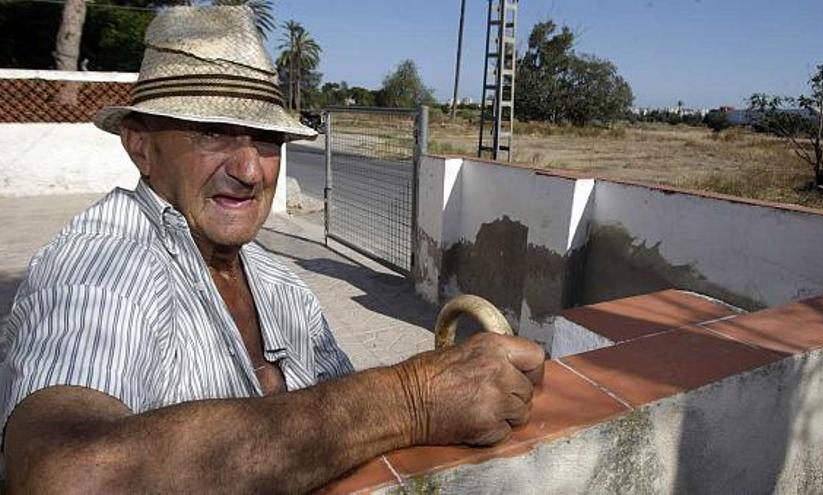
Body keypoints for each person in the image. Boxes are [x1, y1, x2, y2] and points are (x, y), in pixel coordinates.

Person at [0, 6, 544, 493]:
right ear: (142, 146)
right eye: (213, 131)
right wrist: (413, 398)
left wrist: (448, 390)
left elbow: (344, 414)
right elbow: (62, 475)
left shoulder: (279, 284)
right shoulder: (101, 268)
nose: (249, 170)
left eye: (266, 139)